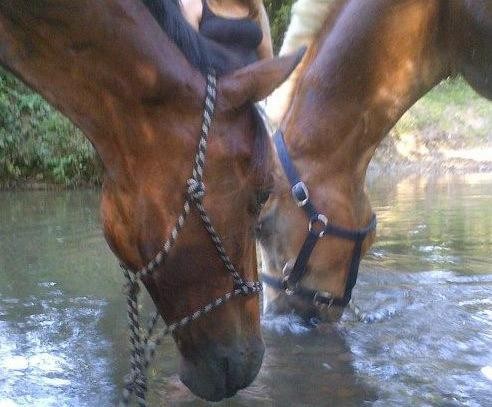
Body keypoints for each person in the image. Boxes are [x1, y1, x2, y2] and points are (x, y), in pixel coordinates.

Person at [180, 0, 273, 67]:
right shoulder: (194, 4)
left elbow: (268, 59)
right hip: (215, 89)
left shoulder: (255, 8)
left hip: (253, 87)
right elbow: (189, 59)